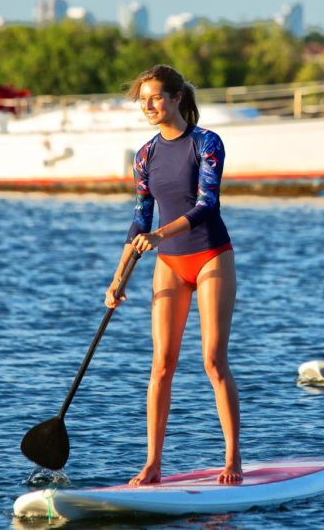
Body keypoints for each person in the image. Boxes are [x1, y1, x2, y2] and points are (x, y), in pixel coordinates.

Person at [105, 64, 242, 486]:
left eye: (155, 97)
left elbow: (206, 205)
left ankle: (233, 458)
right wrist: (118, 278)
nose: (148, 105)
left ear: (177, 98)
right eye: (142, 99)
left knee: (213, 361)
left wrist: (160, 234)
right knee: (161, 364)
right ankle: (153, 464)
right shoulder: (145, 155)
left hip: (210, 258)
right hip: (169, 265)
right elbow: (139, 218)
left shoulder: (206, 143)